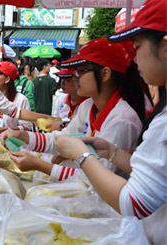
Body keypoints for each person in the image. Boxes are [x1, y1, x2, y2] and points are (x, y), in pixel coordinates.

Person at [54, 0, 167, 221]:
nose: (133, 59)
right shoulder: (88, 107)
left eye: (137, 46)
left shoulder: (129, 119)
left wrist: (82, 154)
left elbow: (135, 204)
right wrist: (112, 152)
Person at [2, 37, 146, 181]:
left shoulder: (122, 120)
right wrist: (24, 137)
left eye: (81, 71)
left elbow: (99, 179)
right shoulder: (88, 106)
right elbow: (62, 139)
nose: (75, 77)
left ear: (105, 74)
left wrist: (40, 165)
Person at [0, 61, 32, 156]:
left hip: (14, 147)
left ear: (7, 79)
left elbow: (26, 127)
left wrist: (7, 129)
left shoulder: (21, 100)